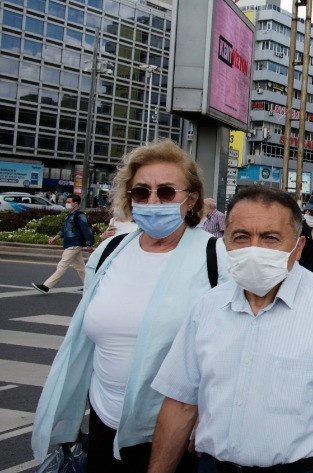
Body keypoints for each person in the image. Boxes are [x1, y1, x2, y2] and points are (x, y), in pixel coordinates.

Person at [148, 187, 313, 473]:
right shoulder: (206, 309)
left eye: (270, 238)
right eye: (241, 237)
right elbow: (179, 404)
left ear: (298, 247)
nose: (254, 249)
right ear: (224, 243)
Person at [32, 140, 229, 471]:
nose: (152, 200)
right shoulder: (110, 252)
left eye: (166, 192)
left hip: (178, 430)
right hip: (104, 420)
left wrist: (209, 418)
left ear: (190, 199)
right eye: (141, 192)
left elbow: (229, 349)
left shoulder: (215, 256)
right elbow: (86, 337)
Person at [31, 195, 95, 294]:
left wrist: (89, 244)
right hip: (70, 243)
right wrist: (54, 238)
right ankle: (89, 286)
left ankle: (46, 286)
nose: (67, 203)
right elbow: (63, 230)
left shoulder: (80, 215)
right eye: (67, 202)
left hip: (75, 243)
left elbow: (87, 230)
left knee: (62, 265)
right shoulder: (70, 215)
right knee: (80, 267)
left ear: (76, 203)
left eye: (69, 202)